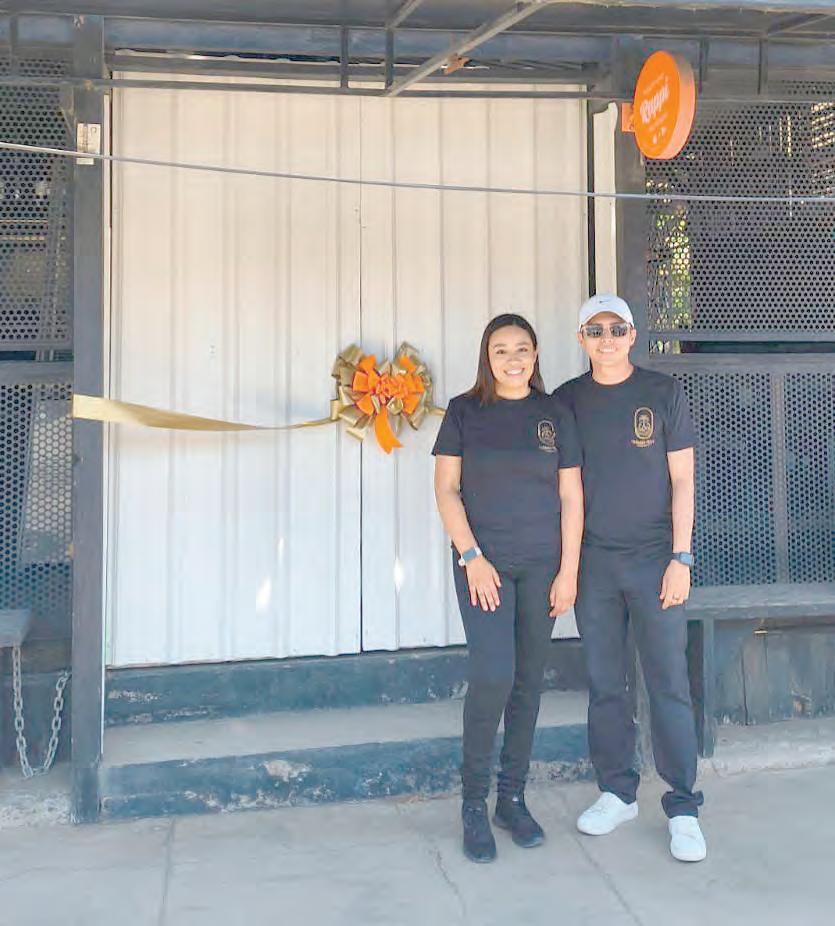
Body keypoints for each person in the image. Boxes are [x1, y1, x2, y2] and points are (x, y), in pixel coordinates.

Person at [554, 293, 706, 863]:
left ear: (633, 335)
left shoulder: (662, 393)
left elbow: (683, 479)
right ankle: (617, 792)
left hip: (655, 560)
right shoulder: (567, 401)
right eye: (595, 331)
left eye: (616, 329)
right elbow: (567, 490)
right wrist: (569, 570)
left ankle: (683, 806)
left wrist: (681, 557)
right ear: (581, 339)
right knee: (605, 684)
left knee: (668, 682)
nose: (607, 339)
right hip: (595, 563)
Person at [432, 313, 584, 863]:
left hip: (542, 568)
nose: (512, 359)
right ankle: (473, 803)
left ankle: (511, 799)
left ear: (536, 355)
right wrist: (471, 556)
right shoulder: (464, 412)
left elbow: (571, 497)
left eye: (522, 348)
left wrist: (569, 571)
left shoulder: (555, 414)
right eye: (501, 350)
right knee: (493, 674)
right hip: (485, 568)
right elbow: (446, 490)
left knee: (527, 681)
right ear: (487, 357)